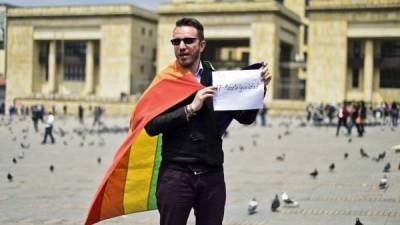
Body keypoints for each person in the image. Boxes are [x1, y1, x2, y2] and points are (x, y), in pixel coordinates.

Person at [144, 18, 271, 225]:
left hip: (212, 176)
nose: (182, 46)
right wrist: (190, 109)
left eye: (188, 40)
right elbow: (151, 126)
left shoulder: (218, 80)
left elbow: (245, 118)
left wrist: (260, 88)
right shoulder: (166, 82)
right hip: (176, 176)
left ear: (202, 45)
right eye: (176, 42)